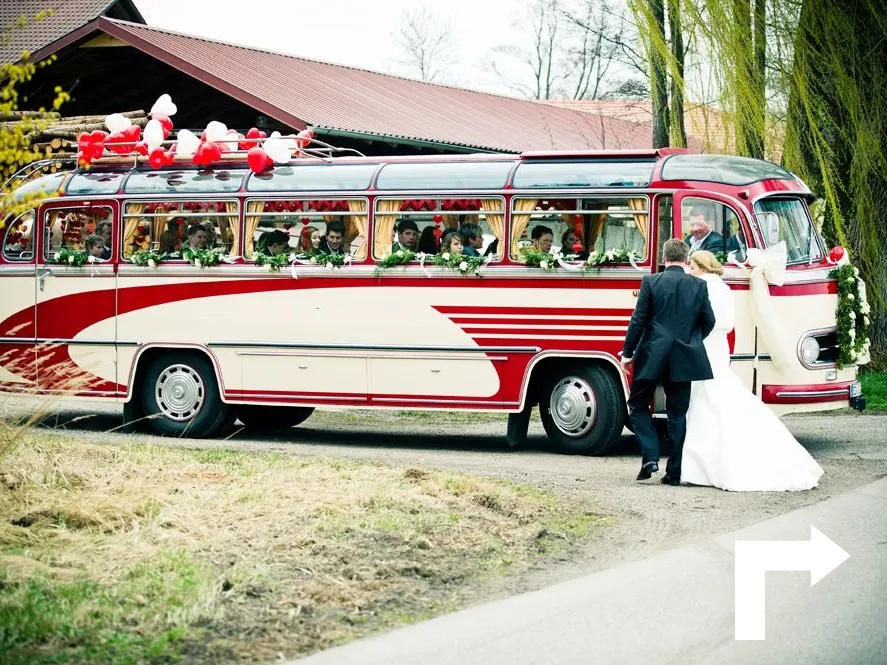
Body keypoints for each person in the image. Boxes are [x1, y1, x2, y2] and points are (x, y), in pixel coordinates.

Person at [681, 251, 824, 491]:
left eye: (693, 266)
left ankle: (703, 466)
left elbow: (701, 319)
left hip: (705, 343)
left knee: (704, 398)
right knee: (717, 393)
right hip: (719, 346)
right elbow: (728, 324)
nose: (690, 270)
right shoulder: (724, 288)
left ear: (703, 267)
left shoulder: (701, 286)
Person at [621, 238, 716, 485]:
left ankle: (651, 456)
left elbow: (638, 320)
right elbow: (709, 321)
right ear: (686, 259)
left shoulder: (651, 281)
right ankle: (674, 473)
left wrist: (628, 352)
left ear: (664, 258)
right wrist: (692, 339)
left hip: (652, 353)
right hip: (684, 355)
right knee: (677, 413)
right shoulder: (699, 285)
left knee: (638, 404)